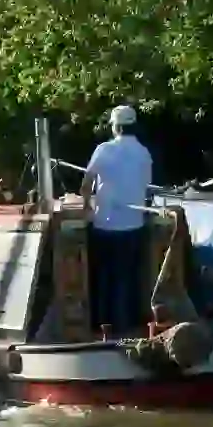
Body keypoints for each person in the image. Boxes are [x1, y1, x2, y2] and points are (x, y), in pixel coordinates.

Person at [79, 105, 154, 334]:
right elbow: (146, 188)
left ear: (116, 126)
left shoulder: (104, 149)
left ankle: (103, 326)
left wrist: (86, 206)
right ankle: (127, 327)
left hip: (105, 224)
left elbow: (85, 185)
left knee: (104, 276)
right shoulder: (144, 153)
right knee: (126, 277)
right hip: (134, 226)